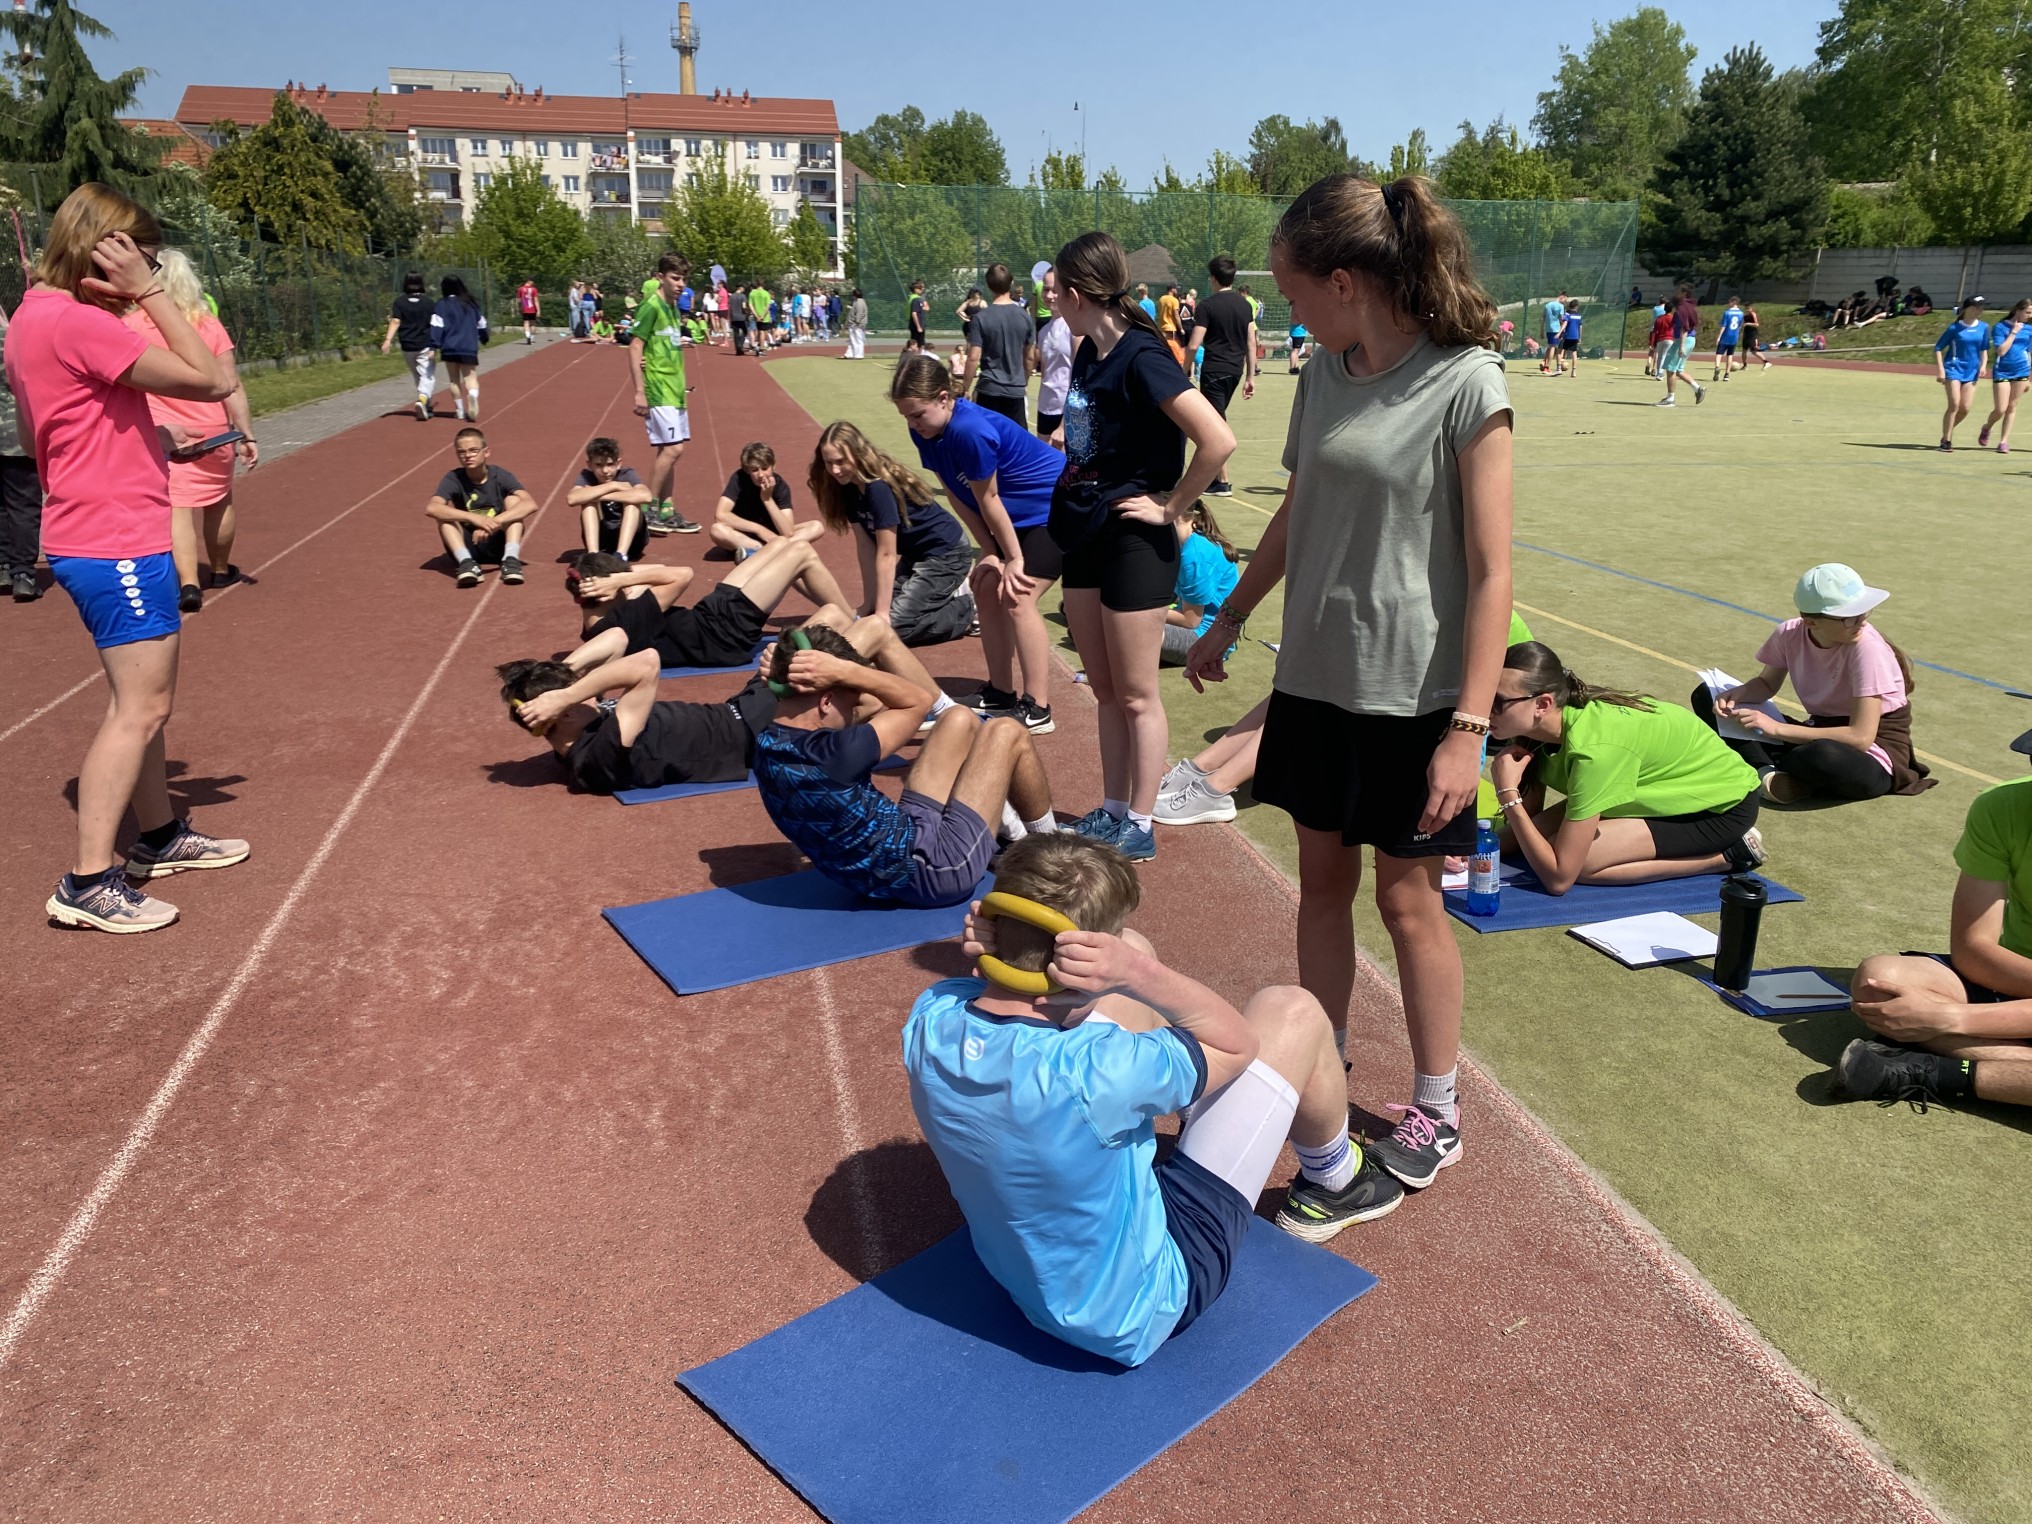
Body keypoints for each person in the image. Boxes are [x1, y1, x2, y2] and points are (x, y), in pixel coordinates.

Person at [1181, 173, 1514, 1192]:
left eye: (1293, 292)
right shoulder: (1324, 372)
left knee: (1408, 903)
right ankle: (1315, 1067)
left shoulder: (1468, 382)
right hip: (1316, 679)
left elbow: (1494, 571)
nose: (1288, 312)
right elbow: (1298, 506)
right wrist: (1231, 614)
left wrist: (1468, 729)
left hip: (1415, 698)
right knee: (1320, 886)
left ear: (1343, 281)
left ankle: (1437, 1109)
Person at [904, 834, 1404, 1368]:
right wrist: (1135, 973)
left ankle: (1191, 1095)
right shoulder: (1102, 1069)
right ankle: (1335, 1179)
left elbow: (991, 990)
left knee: (1136, 947)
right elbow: (1238, 1043)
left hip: (1026, 1278)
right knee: (1294, 1010)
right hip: (1145, 1305)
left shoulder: (931, 1016)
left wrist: (1012, 953)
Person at [13, 183, 245, 933]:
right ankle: (87, 882)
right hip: (113, 537)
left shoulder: (35, 313)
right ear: (105, 252)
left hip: (93, 525)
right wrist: (149, 294)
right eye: (141, 257)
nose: (148, 269)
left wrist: (143, 437)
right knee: (140, 709)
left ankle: (160, 834)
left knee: (141, 704)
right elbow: (215, 380)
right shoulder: (80, 322)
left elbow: (56, 423)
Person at [1052, 230, 1236, 862]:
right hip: (1085, 534)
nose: (1052, 303)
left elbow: (1218, 440)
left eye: (1054, 293)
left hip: (1136, 540)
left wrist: (1171, 506)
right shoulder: (1089, 351)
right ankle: (1111, 809)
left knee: (1136, 694)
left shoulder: (1142, 355)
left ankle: (1140, 819)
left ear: (1076, 294)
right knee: (1105, 690)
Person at [752, 624, 1057, 908]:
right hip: (937, 871)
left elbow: (874, 703)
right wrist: (847, 671)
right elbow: (919, 700)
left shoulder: (765, 741)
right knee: (1007, 731)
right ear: (826, 702)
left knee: (959, 719)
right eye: (851, 706)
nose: (855, 712)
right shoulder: (837, 753)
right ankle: (1054, 854)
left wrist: (786, 668)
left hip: (895, 855)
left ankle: (1000, 835)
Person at [1832, 753, 2032, 1113]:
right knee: (1881, 984)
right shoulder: (2004, 805)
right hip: (2016, 977)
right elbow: (1973, 948)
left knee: (1911, 1012)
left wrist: (1950, 1018)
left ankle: (1943, 1073)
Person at [1487, 642, 1767, 892]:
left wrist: (1508, 794)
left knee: (1582, 864)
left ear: (1543, 704)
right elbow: (1529, 823)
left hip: (1719, 808)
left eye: (1497, 702)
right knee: (1541, 837)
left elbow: (1559, 879)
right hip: (1657, 790)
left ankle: (1726, 857)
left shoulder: (1594, 752)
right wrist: (1475, 852)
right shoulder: (1535, 728)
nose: (1485, 709)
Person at [893, 352, 1067, 734]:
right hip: (1015, 518)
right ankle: (1001, 693)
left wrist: (1013, 559)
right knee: (986, 586)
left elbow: (989, 499)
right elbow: (960, 497)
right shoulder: (926, 432)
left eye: (918, 414)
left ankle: (1038, 709)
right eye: (906, 416)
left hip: (1055, 510)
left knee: (1018, 596)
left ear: (944, 398)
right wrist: (990, 552)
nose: (912, 423)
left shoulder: (969, 430)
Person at [1695, 562, 1935, 805]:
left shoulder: (1867, 649)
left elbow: (1861, 737)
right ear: (1811, 623)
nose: (1862, 621)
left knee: (1823, 756)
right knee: (1708, 693)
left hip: (1872, 753)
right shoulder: (1789, 634)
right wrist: (1738, 695)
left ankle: (1765, 768)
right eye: (1849, 617)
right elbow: (1766, 684)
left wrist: (1774, 729)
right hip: (1818, 731)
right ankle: (1768, 772)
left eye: (1864, 612)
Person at [124, 250, 257, 612]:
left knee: (177, 508)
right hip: (214, 429)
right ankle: (220, 569)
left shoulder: (132, 326)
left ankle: (188, 584)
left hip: (166, 432)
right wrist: (247, 434)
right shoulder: (208, 325)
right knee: (220, 500)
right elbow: (232, 385)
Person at [566, 533, 850, 672]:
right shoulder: (625, 621)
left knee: (779, 544)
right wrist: (621, 580)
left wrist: (617, 579)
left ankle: (847, 615)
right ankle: (852, 619)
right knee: (801, 551)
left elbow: (658, 570)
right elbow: (682, 575)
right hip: (723, 634)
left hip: (711, 615)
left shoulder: (598, 619)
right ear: (604, 593)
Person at [811, 419, 976, 646]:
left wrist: (881, 615)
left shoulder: (878, 488)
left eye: (841, 461)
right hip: (914, 556)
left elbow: (887, 554)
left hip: (945, 553)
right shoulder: (848, 489)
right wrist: (870, 604)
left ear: (857, 454)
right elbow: (866, 548)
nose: (834, 470)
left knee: (893, 629)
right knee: (875, 619)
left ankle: (968, 607)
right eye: (828, 463)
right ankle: (942, 595)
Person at [630, 251, 701, 536]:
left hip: (675, 388)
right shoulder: (652, 305)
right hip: (658, 388)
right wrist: (639, 390)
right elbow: (635, 345)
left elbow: (660, 343)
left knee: (668, 451)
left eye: (684, 279)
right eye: (675, 278)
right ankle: (646, 509)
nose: (681, 284)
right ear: (660, 277)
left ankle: (667, 510)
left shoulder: (673, 306)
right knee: (673, 449)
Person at [1184, 256, 1258, 497]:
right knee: (1217, 420)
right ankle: (1218, 479)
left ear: (1214, 278)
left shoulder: (1207, 306)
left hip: (1214, 370)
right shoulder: (1244, 305)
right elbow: (1251, 342)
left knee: (1213, 425)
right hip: (1235, 371)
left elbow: (1193, 344)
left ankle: (1222, 482)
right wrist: (1250, 376)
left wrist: (1184, 369)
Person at [424, 427, 533, 588]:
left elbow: (530, 504)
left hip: (498, 543)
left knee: (514, 501)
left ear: (486, 452)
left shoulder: (500, 475)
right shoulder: (453, 478)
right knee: (443, 514)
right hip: (470, 545)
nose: (468, 456)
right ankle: (466, 563)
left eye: (473, 450)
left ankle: (511, 560)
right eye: (462, 452)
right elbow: (432, 508)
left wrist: (493, 523)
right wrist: (474, 518)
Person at [1159, 499, 1238, 668]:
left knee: (1129, 626)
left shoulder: (1195, 557)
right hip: (1192, 626)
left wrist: (1142, 611)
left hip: (1204, 638)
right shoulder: (1186, 543)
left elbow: (1190, 621)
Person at [0, 298, 43, 602]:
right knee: (23, 504)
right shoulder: (10, 338)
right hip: (14, 436)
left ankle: (3, 565)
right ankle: (23, 573)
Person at [965, 262, 1038, 429]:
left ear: (988, 285)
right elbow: (1029, 357)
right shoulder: (1025, 317)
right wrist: (1023, 382)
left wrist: (965, 388)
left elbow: (973, 357)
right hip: (1015, 391)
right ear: (1011, 283)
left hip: (989, 389)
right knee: (1016, 440)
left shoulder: (980, 318)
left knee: (987, 438)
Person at [710, 441, 804, 555]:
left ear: (773, 465)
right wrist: (758, 529)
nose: (760, 475)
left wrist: (767, 499)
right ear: (746, 470)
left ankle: (759, 551)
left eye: (765, 468)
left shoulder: (780, 486)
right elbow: (720, 515)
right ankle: (765, 549)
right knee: (716, 530)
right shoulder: (738, 479)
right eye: (754, 470)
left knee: (816, 527)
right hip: (744, 534)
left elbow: (788, 532)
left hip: (773, 534)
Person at [567, 436, 652, 561]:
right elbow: (572, 499)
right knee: (588, 503)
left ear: (618, 463)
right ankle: (593, 555)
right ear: (589, 464)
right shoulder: (587, 476)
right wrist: (613, 486)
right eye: (598, 465)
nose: (605, 471)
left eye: (610, 464)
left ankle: (621, 555)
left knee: (632, 503)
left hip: (633, 541)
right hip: (603, 540)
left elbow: (646, 496)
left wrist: (597, 495)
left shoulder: (627, 474)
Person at [431, 275, 489, 423]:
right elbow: (481, 323)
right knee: (470, 378)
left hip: (449, 347)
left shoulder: (441, 304)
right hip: (468, 346)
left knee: (454, 380)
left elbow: (437, 326)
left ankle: (460, 410)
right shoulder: (470, 304)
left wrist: (434, 345)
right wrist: (484, 337)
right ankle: (473, 395)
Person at [382, 271, 438, 423]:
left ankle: (427, 406)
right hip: (424, 344)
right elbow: (434, 323)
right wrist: (437, 342)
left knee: (417, 375)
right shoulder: (428, 303)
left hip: (407, 345)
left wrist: (387, 340)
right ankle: (423, 398)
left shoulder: (399, 302)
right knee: (427, 375)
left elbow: (396, 321)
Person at [1934, 297, 1989, 449]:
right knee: (1954, 404)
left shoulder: (1984, 327)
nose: (1979, 310)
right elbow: (1938, 348)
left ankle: (1947, 431)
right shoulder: (1954, 328)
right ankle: (1946, 440)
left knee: (1965, 408)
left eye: (1981, 307)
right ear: (1967, 309)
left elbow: (1984, 349)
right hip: (1953, 369)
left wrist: (1983, 365)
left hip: (1972, 371)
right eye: (1976, 307)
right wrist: (1941, 370)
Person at [1980, 298, 2032, 453]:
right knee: (2000, 409)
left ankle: (2003, 441)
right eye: (2027, 312)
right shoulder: (2000, 327)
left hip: (2021, 370)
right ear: (2018, 310)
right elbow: (2001, 351)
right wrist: (2014, 332)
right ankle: (1987, 427)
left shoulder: (2029, 329)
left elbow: (2029, 352)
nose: (2029, 316)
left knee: (2012, 406)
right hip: (2002, 371)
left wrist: (2028, 377)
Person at [1034, 268, 1073, 447]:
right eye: (1046, 289)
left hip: (1066, 410)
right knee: (1045, 462)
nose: (1049, 295)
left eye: (1054, 290)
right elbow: (1045, 373)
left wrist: (1064, 425)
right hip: (1045, 408)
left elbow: (1080, 378)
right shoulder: (1043, 332)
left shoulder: (1074, 329)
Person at [1658, 285, 1704, 407]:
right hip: (1690, 339)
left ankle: (1670, 399)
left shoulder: (1682, 309)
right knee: (1679, 370)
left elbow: (1684, 328)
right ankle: (1698, 389)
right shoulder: (1690, 306)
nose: (1675, 293)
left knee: (1670, 369)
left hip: (1684, 340)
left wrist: (1681, 346)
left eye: (1678, 291)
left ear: (1684, 293)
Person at [1712, 297, 1744, 381]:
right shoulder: (1741, 313)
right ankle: (1727, 375)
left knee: (1719, 354)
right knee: (1730, 355)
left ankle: (1717, 367)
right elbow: (1739, 326)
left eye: (1729, 302)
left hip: (1725, 336)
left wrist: (1719, 337)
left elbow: (1723, 326)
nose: (1728, 304)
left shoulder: (1727, 313)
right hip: (1734, 336)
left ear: (1733, 302)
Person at [1156, 281, 1186, 367]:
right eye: (1176, 289)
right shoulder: (1174, 300)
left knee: (1163, 349)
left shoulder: (1161, 299)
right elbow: (1176, 316)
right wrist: (1181, 328)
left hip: (1161, 327)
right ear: (1173, 289)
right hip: (1171, 328)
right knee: (1174, 351)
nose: (1176, 291)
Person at [1540, 290, 1567, 374]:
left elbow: (1542, 318)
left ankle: (1545, 362)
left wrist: (1541, 330)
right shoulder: (1560, 306)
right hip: (1556, 329)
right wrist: (1564, 327)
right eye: (1565, 299)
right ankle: (1547, 367)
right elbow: (1561, 319)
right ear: (1562, 296)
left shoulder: (1547, 305)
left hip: (1548, 329)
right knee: (1553, 347)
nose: (1565, 302)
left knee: (1550, 346)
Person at [1644, 303, 1673, 378]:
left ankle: (1658, 372)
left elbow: (1655, 331)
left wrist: (1652, 342)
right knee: (1666, 356)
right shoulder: (1673, 318)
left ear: (1664, 309)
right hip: (1670, 339)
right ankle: (1661, 373)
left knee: (1660, 356)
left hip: (1660, 339)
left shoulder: (1659, 319)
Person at [1556, 300, 1582, 377]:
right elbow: (1580, 327)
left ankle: (1559, 369)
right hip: (1575, 336)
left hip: (1567, 336)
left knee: (1558, 351)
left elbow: (1565, 324)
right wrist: (1579, 337)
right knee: (1574, 353)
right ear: (1576, 307)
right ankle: (1574, 371)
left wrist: (1559, 333)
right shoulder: (1579, 316)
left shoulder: (1567, 314)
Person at [1740, 301, 1768, 370]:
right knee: (1744, 351)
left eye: (1748, 308)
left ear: (1751, 307)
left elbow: (1756, 324)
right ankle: (1745, 365)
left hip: (1752, 335)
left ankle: (1766, 362)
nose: (1747, 309)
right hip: (1746, 335)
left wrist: (1748, 324)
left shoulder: (1753, 314)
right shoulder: (1745, 315)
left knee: (1753, 351)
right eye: (1745, 308)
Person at [844, 288, 868, 361]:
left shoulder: (859, 303)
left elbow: (859, 314)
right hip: (854, 324)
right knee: (852, 340)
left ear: (855, 295)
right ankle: (850, 354)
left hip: (857, 324)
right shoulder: (857, 302)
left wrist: (856, 322)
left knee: (858, 339)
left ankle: (859, 354)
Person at [907, 279, 931, 354]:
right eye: (920, 288)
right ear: (915, 289)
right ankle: (915, 358)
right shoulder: (915, 299)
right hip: (916, 325)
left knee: (921, 343)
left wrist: (923, 308)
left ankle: (917, 357)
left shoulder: (919, 298)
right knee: (916, 344)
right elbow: (914, 313)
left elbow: (927, 308)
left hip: (919, 324)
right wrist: (918, 327)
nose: (922, 289)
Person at [516, 277, 541, 343]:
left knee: (526, 323)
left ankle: (527, 336)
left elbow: (519, 300)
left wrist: (519, 308)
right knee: (532, 323)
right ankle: (531, 337)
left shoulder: (520, 289)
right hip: (532, 309)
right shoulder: (534, 289)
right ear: (529, 281)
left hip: (525, 308)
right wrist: (538, 310)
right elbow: (536, 300)